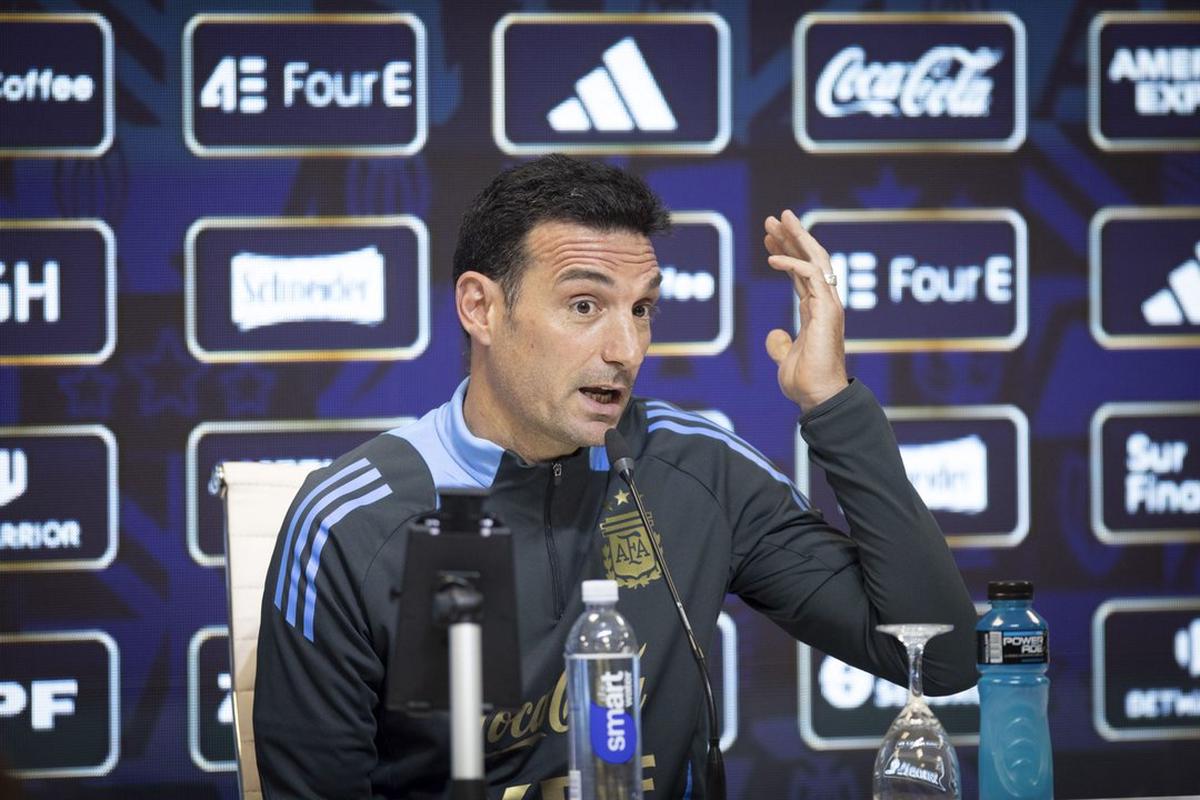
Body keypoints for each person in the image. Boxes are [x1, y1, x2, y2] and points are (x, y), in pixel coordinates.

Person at [254, 155, 978, 799]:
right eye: (584, 306)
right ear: (481, 307)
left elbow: (940, 656)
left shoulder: (694, 468)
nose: (626, 347)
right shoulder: (355, 520)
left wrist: (832, 402)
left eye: (641, 309)